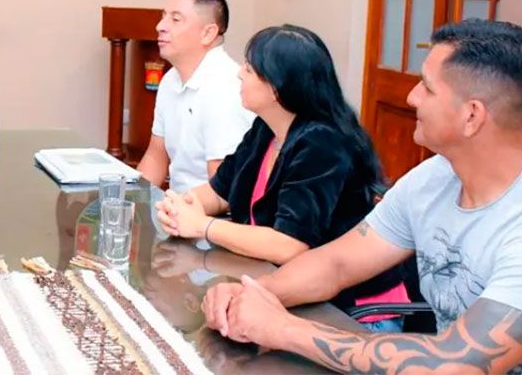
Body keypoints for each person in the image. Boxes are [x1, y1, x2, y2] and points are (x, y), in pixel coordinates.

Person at [202, 20, 522, 373]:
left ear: (472, 115)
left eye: (428, 88)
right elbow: (337, 264)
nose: (411, 97)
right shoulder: (433, 180)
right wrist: (252, 293)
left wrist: (281, 328)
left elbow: (457, 365)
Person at [156, 25, 404, 323]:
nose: (239, 74)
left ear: (277, 87)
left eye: (249, 69)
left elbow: (289, 244)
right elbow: (219, 191)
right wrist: (183, 206)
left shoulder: (323, 143)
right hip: (277, 287)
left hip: (347, 311)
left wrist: (202, 226)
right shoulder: (266, 128)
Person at [137, 0, 254, 193]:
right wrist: (130, 201)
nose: (160, 26)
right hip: (178, 205)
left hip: (209, 210)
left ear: (208, 33)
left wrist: (177, 208)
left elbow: (222, 191)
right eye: (163, 16)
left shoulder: (226, 89)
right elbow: (156, 155)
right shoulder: (170, 80)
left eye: (175, 19)